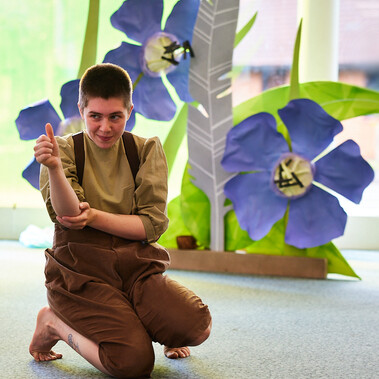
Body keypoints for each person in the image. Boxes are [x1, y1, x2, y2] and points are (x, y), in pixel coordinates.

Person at [29, 63, 212, 378]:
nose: (105, 127)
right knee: (132, 364)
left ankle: (151, 326)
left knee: (196, 327)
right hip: (82, 274)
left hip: (137, 268)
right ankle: (54, 323)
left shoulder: (145, 150)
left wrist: (95, 216)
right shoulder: (62, 151)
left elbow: (151, 226)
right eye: (95, 116)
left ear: (130, 109)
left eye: (116, 116)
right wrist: (55, 169)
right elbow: (70, 217)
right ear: (81, 109)